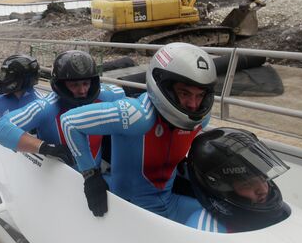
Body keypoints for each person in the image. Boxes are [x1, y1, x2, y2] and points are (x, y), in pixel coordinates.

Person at [60, 42, 216, 220]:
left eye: (200, 95)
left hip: (168, 201)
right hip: (131, 210)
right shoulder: (136, 115)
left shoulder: (201, 118)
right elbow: (69, 122)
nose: (193, 105)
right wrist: (90, 176)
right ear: (165, 88)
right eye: (184, 93)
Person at [0, 50, 125, 166]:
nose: (83, 90)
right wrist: (45, 148)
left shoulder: (109, 95)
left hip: (96, 173)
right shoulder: (47, 107)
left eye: (86, 83)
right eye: (75, 85)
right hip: (61, 178)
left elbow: (124, 95)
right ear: (61, 85)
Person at [185, 127, 291, 233]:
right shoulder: (205, 229)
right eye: (248, 184)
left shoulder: (283, 212)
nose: (263, 190)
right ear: (221, 192)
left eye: (263, 178)